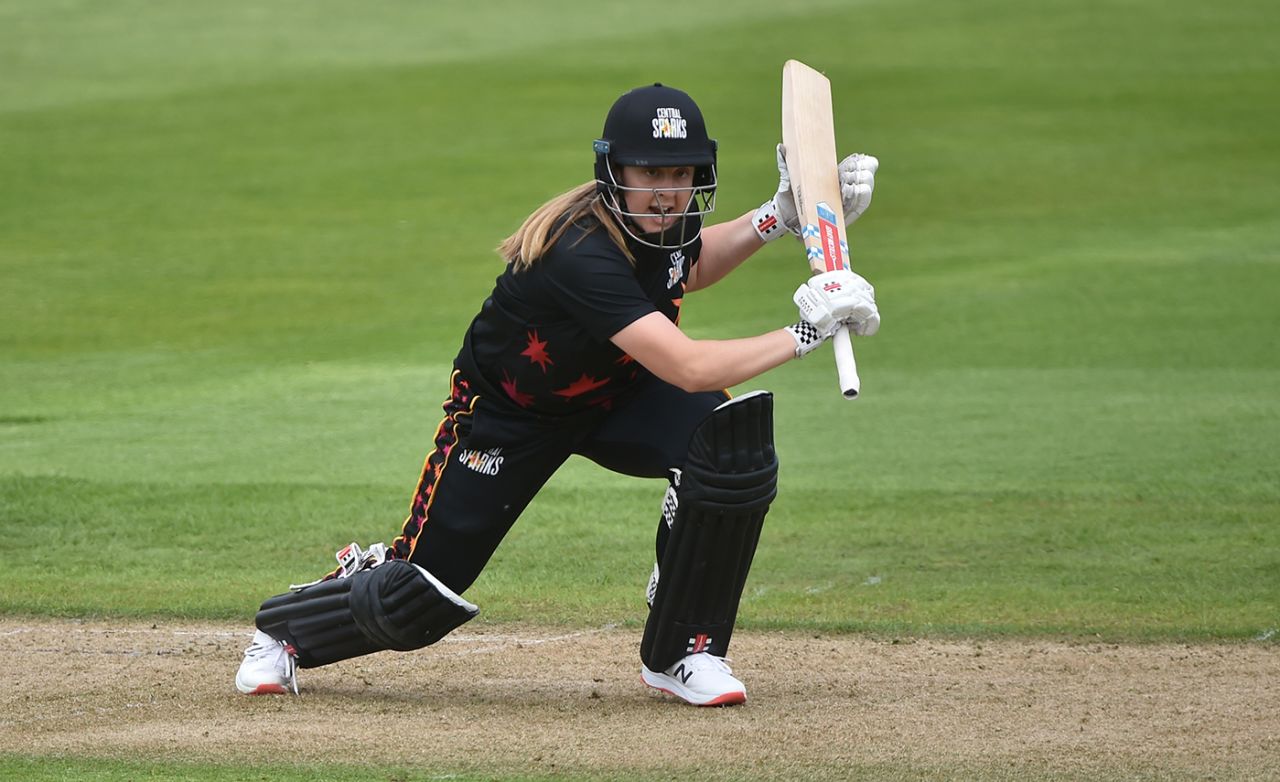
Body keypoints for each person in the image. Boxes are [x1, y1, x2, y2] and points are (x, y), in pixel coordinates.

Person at [235, 83, 880, 707]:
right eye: (649, 175)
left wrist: (779, 218)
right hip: (510, 417)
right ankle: (287, 626)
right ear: (613, 171)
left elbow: (691, 262)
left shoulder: (665, 221)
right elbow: (685, 365)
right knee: (417, 601)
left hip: (617, 394)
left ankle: (685, 651)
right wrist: (805, 331)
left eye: (680, 174)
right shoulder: (580, 251)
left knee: (730, 447)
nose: (666, 193)